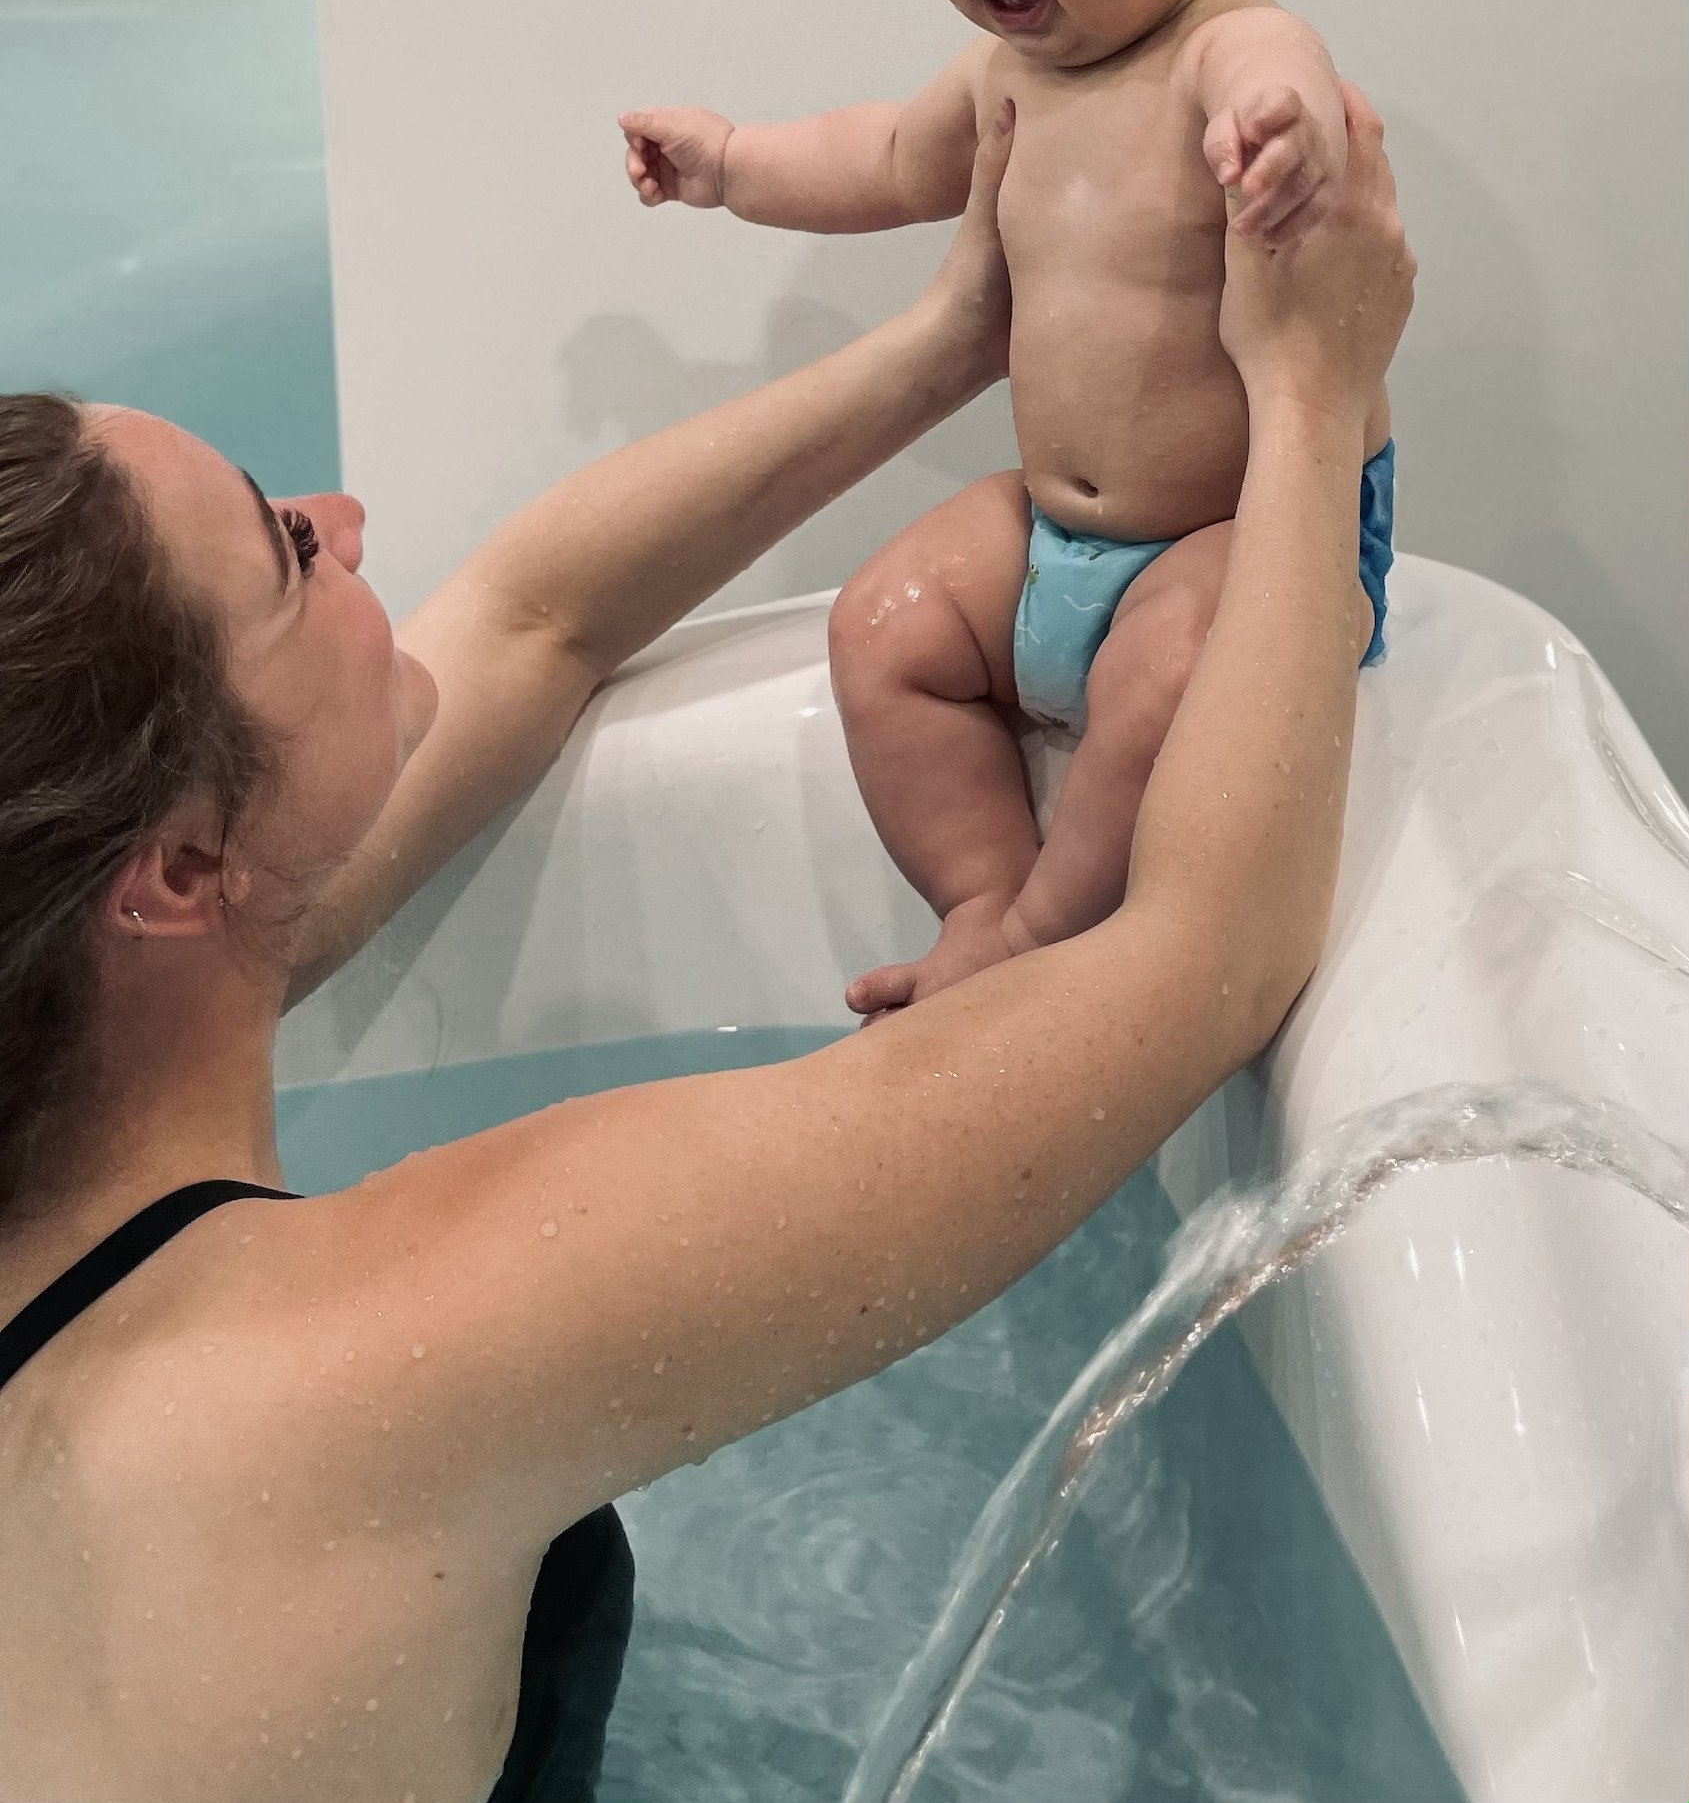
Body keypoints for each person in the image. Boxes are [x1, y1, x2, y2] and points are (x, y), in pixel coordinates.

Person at [0, 91, 1411, 1803]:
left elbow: (538, 614)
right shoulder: (357, 1365)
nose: (347, 513)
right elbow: (1200, 956)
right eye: (289, 553)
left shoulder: (99, 994)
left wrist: (956, 336)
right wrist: (1313, 398)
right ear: (175, 872)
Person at [619, 0, 1397, 1016]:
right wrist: (731, 165)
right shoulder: (1005, 78)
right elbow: (882, 159)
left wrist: (1283, 133)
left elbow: (1277, 75)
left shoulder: (1221, 49)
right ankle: (978, 892)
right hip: (1053, 532)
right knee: (885, 629)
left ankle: (1039, 934)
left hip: (1238, 544)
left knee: (1167, 684)